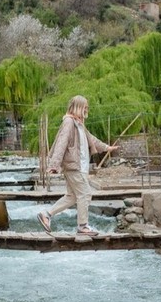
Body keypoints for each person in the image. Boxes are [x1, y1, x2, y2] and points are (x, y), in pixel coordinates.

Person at [37, 95, 117, 236]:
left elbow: (91, 139)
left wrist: (106, 147)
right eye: (85, 107)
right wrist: (54, 164)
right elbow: (62, 142)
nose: (87, 109)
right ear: (78, 107)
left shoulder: (79, 124)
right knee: (85, 194)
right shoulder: (69, 122)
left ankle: (46, 214)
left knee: (72, 196)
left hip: (79, 167)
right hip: (75, 167)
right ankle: (83, 226)